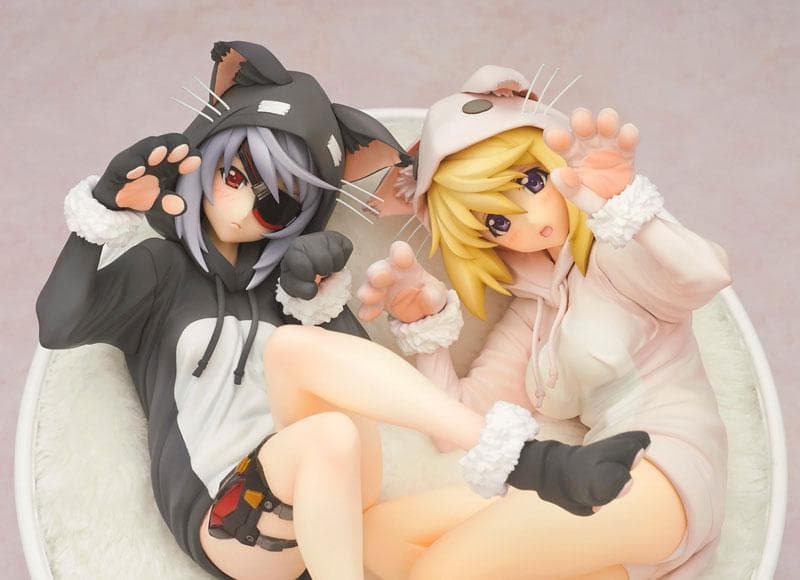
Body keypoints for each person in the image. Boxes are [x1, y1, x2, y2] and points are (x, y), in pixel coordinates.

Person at [352, 66, 731, 579]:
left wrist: (625, 207)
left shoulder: (616, 257)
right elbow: (454, 426)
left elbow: (708, 275)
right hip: (591, 481)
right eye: (497, 222)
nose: (527, 220)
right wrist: (427, 326)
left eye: (531, 182)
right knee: (380, 535)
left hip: (665, 465)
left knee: (445, 570)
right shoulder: (532, 317)